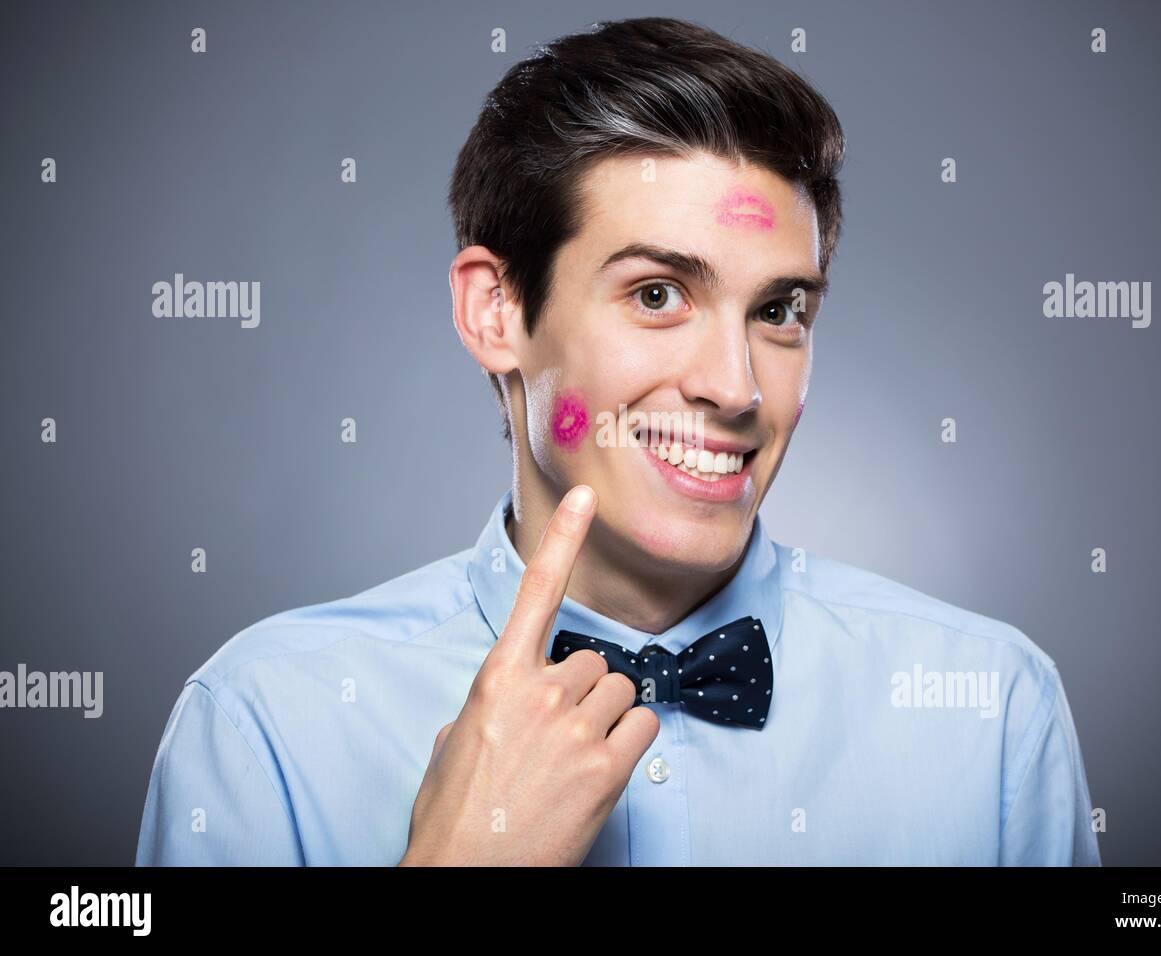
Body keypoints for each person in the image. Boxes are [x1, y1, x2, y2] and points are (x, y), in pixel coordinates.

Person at [136, 16, 1101, 866]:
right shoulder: (265, 723)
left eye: (779, 311)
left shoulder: (992, 710)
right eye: (657, 293)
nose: (735, 387)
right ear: (496, 313)